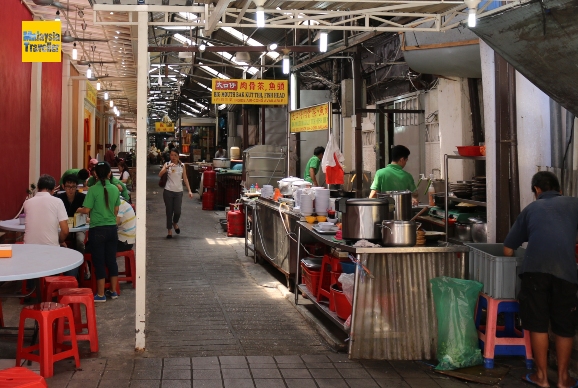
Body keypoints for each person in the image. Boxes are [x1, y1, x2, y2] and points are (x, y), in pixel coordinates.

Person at [504, 171, 578, 388]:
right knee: (564, 326)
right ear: (560, 190)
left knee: (537, 324)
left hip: (535, 271)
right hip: (566, 272)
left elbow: (508, 250)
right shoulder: (574, 204)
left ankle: (542, 377)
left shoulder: (530, 209)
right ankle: (564, 379)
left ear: (536, 190)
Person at [77, 162, 121, 302]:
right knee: (111, 260)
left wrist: (79, 210)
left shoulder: (93, 190)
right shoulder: (115, 189)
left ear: (95, 174)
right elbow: (116, 211)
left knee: (99, 262)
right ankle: (113, 291)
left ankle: (101, 294)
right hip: (112, 229)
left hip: (97, 230)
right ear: (109, 174)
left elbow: (87, 209)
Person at [23, 175, 75, 276]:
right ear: (52, 190)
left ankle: (31, 285)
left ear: (38, 188)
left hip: (29, 250)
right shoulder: (57, 202)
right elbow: (65, 230)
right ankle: (63, 285)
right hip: (50, 251)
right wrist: (60, 241)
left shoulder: (27, 203)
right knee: (73, 258)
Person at [159, 148, 193, 238]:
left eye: (175, 155)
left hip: (178, 192)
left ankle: (174, 223)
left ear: (178, 156)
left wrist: (189, 190)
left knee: (177, 211)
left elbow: (185, 178)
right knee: (169, 211)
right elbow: (160, 174)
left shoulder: (182, 166)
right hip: (168, 191)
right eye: (171, 155)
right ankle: (169, 230)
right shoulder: (167, 164)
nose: (173, 157)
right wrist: (166, 168)